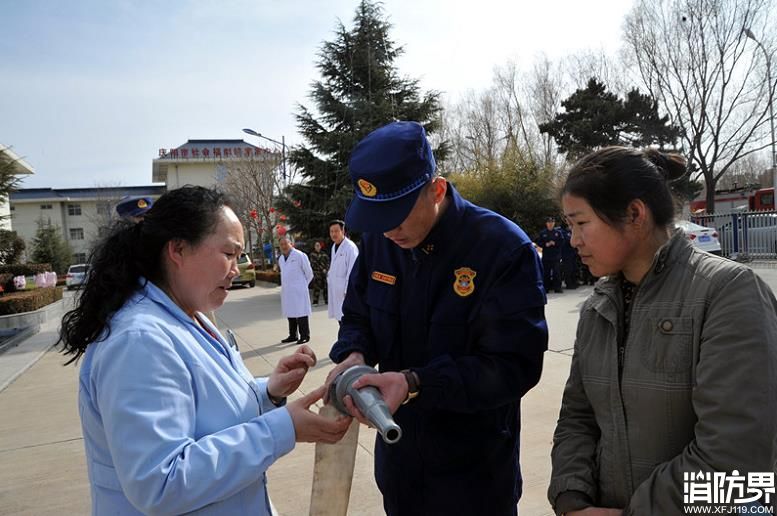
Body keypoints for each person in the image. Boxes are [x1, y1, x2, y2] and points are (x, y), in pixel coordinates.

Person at [57, 186, 351, 516]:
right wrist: (283, 429)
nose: (237, 268)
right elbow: (161, 482)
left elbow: (203, 407)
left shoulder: (188, 314)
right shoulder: (139, 341)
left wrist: (267, 392)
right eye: (228, 254)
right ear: (178, 249)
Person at [325, 121, 548, 515]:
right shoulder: (381, 241)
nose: (388, 231)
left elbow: (514, 366)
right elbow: (357, 314)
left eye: (397, 216)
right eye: (377, 218)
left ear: (437, 190)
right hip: (400, 473)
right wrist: (354, 354)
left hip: (474, 478)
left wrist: (416, 383)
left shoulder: (501, 250)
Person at [548, 147, 777, 515]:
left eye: (581, 223)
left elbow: (741, 467)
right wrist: (572, 499)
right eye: (569, 226)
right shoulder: (598, 308)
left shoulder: (729, 293)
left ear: (635, 214)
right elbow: (577, 418)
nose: (573, 240)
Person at [278, 236, 314, 344]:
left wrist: (302, 285)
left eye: (286, 243)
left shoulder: (299, 255)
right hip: (287, 291)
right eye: (281, 244)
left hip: (299, 290)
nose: (284, 246)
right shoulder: (281, 259)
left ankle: (304, 336)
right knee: (290, 312)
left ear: (291, 244)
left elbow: (309, 273)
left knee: (301, 313)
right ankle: (292, 335)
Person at [326, 219, 359, 321]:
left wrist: (347, 291)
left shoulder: (350, 247)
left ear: (343, 231)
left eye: (336, 231)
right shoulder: (334, 247)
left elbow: (353, 271)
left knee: (348, 319)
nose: (333, 234)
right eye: (331, 231)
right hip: (336, 290)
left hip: (346, 292)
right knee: (340, 318)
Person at [535, 216, 565, 293]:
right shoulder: (543, 233)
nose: (550, 224)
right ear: (546, 224)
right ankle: (546, 288)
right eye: (549, 223)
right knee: (546, 273)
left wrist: (555, 243)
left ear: (554, 223)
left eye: (552, 222)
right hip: (546, 256)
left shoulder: (558, 233)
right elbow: (539, 243)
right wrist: (545, 244)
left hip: (556, 256)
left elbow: (562, 242)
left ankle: (558, 288)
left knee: (557, 273)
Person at [308, 241, 329, 305]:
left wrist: (326, 269)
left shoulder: (324, 254)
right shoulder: (312, 254)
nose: (317, 247)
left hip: (324, 273)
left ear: (320, 246)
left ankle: (327, 300)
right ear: (314, 247)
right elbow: (313, 264)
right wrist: (322, 269)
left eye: (318, 245)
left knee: (326, 287)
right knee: (316, 288)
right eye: (316, 246)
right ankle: (315, 301)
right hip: (316, 273)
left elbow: (328, 262)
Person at [560, 224, 579, 290]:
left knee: (574, 268)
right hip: (566, 254)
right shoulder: (563, 232)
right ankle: (569, 284)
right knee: (568, 269)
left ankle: (574, 282)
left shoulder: (571, 232)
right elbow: (569, 241)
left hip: (573, 253)